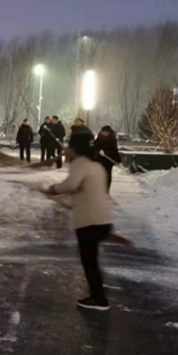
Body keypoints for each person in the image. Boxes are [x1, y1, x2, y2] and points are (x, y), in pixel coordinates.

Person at [43, 131, 113, 311]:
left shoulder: (80, 163)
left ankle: (99, 299)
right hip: (103, 220)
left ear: (75, 148)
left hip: (89, 221)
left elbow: (71, 185)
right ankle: (98, 292)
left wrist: (53, 188)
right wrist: (58, 199)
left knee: (89, 261)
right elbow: (79, 195)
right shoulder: (96, 165)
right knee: (91, 260)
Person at [93, 125, 121, 192]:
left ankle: (106, 190)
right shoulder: (99, 138)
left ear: (109, 132)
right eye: (103, 132)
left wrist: (117, 160)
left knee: (107, 175)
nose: (104, 133)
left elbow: (114, 150)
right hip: (99, 160)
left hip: (108, 161)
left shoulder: (112, 139)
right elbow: (95, 146)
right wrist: (99, 150)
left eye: (105, 132)